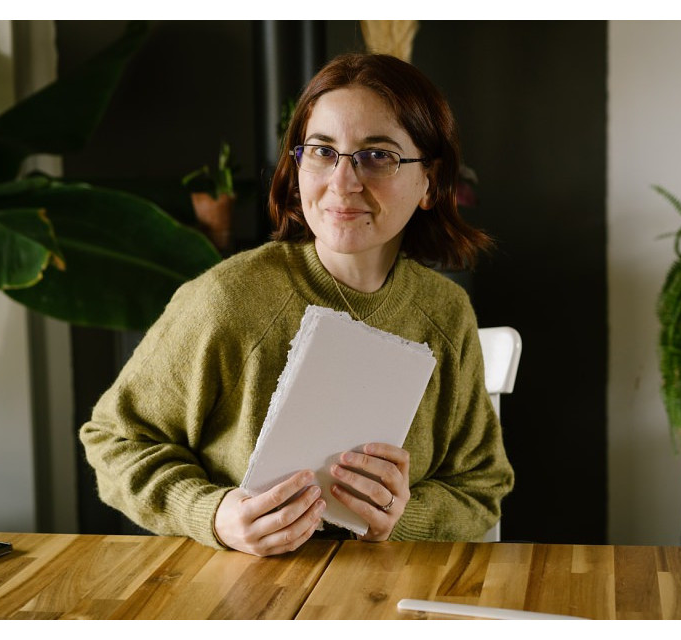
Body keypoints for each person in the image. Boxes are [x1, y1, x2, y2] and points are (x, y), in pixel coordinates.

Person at [79, 52, 514, 556]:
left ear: (430, 183)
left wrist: (402, 518)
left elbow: (481, 488)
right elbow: (114, 441)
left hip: (390, 598)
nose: (343, 182)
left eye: (377, 155)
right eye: (322, 151)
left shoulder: (446, 313)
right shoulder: (226, 300)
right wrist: (215, 515)